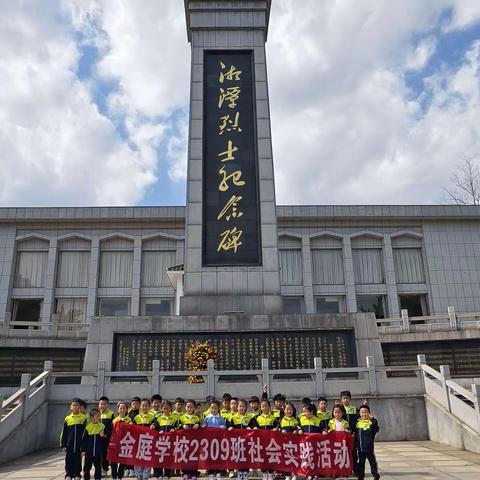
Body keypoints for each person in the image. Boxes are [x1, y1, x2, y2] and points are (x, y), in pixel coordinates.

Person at [151, 400, 179, 480]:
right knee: (158, 457)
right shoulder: (158, 419)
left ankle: (167, 474)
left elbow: (178, 427)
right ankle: (158, 474)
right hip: (159, 443)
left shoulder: (175, 418)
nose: (166, 410)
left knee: (168, 458)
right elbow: (155, 428)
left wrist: (174, 429)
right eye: (164, 408)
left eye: (168, 408)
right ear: (162, 409)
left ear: (171, 408)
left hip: (170, 443)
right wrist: (158, 430)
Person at [60, 398, 87, 480]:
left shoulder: (83, 418)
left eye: (77, 405)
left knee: (78, 460)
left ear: (79, 407)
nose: (75, 407)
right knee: (69, 459)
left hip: (79, 444)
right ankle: (68, 474)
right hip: (69, 444)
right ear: (70, 407)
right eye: (73, 405)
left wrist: (84, 446)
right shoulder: (67, 419)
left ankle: (77, 474)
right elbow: (64, 432)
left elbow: (85, 432)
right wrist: (63, 444)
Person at [252, 400, 277, 480]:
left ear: (269, 407)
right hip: (261, 442)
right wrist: (255, 428)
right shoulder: (257, 418)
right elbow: (254, 427)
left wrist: (276, 429)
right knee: (262, 457)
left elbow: (277, 426)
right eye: (262, 406)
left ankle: (270, 473)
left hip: (271, 442)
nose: (264, 408)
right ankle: (264, 473)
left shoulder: (273, 418)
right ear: (260, 408)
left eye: (266, 406)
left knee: (270, 457)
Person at [203, 400, 227, 480]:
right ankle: (210, 473)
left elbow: (224, 427)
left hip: (218, 441)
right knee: (210, 457)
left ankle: (218, 472)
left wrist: (221, 427)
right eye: (212, 408)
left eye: (215, 408)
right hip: (209, 441)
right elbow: (204, 427)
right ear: (209, 408)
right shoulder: (207, 418)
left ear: (218, 408)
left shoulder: (221, 418)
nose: (213, 410)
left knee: (217, 457)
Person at [355, 405, 380, 480]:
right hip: (361, 449)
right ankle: (360, 477)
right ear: (359, 413)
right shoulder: (357, 424)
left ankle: (375, 476)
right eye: (362, 412)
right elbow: (355, 434)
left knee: (373, 463)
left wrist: (373, 420)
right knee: (361, 464)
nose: (364, 414)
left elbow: (376, 429)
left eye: (366, 412)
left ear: (369, 413)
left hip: (369, 449)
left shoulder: (371, 423)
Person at [132, 398, 155, 480]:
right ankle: (138, 475)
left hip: (148, 441)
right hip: (138, 442)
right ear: (140, 407)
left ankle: (145, 475)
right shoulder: (136, 418)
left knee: (147, 458)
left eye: (146, 406)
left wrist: (153, 426)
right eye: (143, 406)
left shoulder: (152, 417)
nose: (144, 407)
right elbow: (132, 428)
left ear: (149, 407)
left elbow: (156, 426)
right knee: (138, 457)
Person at [179, 400, 201, 480]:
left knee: (194, 457)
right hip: (184, 440)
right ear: (185, 408)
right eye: (188, 407)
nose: (189, 408)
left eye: (191, 407)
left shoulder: (197, 418)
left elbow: (201, 428)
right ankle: (185, 472)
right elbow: (177, 427)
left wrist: (198, 425)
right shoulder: (182, 417)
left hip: (194, 441)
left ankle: (193, 473)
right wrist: (182, 426)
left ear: (194, 408)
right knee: (184, 456)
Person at [81, 408, 106, 480]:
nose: (99, 417)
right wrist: (83, 450)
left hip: (98, 452)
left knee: (98, 467)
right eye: (97, 416)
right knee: (87, 467)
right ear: (92, 417)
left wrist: (103, 436)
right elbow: (84, 440)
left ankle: (98, 478)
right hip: (89, 452)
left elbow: (105, 438)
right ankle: (86, 477)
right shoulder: (88, 428)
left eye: (100, 416)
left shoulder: (102, 426)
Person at [111, 402, 132, 480]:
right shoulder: (114, 420)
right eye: (121, 408)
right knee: (114, 461)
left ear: (127, 410)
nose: (122, 410)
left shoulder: (129, 420)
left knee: (123, 461)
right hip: (116, 443)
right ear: (118, 410)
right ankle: (114, 476)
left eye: (124, 408)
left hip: (125, 443)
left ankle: (120, 476)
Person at [98, 396, 114, 476]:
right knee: (98, 454)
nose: (102, 406)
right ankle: (99, 469)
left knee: (105, 454)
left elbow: (112, 427)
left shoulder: (111, 414)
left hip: (106, 438)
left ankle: (104, 469)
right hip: (97, 438)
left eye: (104, 404)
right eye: (101, 404)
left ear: (107, 405)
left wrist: (106, 434)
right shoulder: (96, 413)